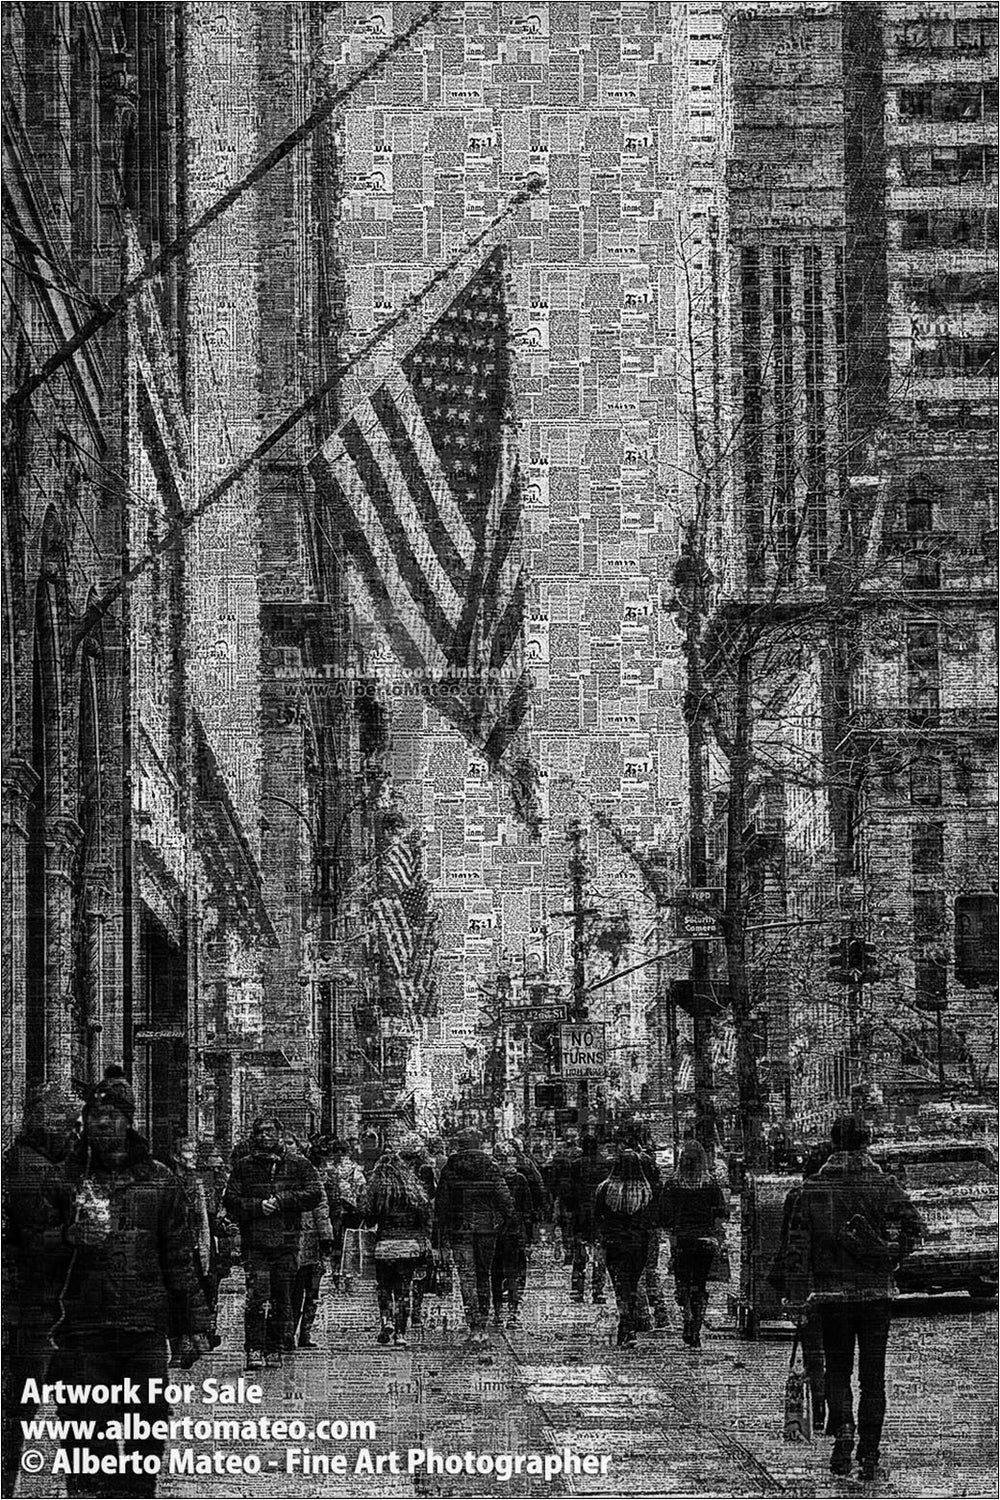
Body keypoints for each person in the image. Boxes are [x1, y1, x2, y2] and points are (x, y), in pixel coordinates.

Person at [46, 1069, 211, 1498]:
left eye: (113, 1115)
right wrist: (66, 1237)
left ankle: (137, 1491)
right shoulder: (64, 1177)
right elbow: (30, 1245)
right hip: (82, 1326)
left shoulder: (159, 1179)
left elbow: (179, 1257)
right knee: (85, 1424)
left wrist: (193, 1327)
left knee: (146, 1420)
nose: (104, 1123)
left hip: (143, 1324)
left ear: (128, 1120)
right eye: (96, 1115)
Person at [786, 1115, 925, 1482]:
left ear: (833, 1143)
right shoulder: (885, 1185)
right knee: (873, 1378)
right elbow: (915, 1228)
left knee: (838, 1369)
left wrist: (797, 1296)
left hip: (830, 1294)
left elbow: (797, 1247)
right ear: (867, 1143)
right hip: (876, 1294)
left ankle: (843, 1429)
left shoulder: (813, 1189)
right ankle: (870, 1450)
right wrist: (891, 1254)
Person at [2, 1082, 79, 1495]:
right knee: (17, 1414)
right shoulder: (31, 1170)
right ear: (48, 1126)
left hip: (43, 1310)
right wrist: (77, 1234)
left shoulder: (43, 1165)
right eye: (68, 1126)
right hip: (32, 1312)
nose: (74, 1134)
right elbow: (38, 1243)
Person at [222, 1116, 322, 1369]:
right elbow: (231, 1200)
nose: (264, 1135)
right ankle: (255, 1347)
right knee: (257, 1296)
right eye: (259, 1131)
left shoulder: (299, 1165)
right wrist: (258, 1206)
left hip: (287, 1241)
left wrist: (282, 1200)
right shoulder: (244, 1166)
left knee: (282, 1297)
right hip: (255, 1241)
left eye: (269, 1131)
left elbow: (314, 1194)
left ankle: (274, 1347)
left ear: (279, 1133)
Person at [767, 1141, 832, 1429]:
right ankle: (840, 1416)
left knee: (814, 1351)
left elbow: (789, 1246)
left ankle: (818, 1411)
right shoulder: (847, 1194)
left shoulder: (798, 1196)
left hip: (808, 1286)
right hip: (843, 1285)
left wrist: (792, 1293)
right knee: (839, 1352)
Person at [434, 1128, 514, 1347]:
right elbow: (505, 1200)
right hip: (486, 1230)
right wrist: (503, 1223)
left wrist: (440, 1236)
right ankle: (483, 1327)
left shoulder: (450, 1169)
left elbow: (441, 1204)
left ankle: (473, 1326)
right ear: (479, 1144)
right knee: (483, 1275)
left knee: (467, 1278)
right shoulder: (491, 1167)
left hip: (459, 1230)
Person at [660, 1140, 728, 1349]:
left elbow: (664, 1215)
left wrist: (672, 1233)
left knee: (682, 1282)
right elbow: (721, 1213)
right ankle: (696, 1327)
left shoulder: (672, 1184)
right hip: (705, 1241)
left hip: (682, 1240)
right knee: (700, 1283)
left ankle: (687, 1315)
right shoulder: (710, 1184)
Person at [366, 1152, 433, 1347]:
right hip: (409, 1247)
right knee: (404, 1289)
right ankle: (401, 1333)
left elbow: (369, 1218)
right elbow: (424, 1219)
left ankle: (386, 1321)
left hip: (385, 1247)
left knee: (384, 1288)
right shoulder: (413, 1192)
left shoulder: (378, 1191)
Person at [594, 1150, 659, 1347]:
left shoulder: (605, 1189)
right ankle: (629, 1325)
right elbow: (653, 1219)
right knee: (633, 1283)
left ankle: (627, 1325)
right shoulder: (646, 1190)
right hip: (639, 1243)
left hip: (614, 1243)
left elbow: (597, 1217)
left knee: (620, 1285)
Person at [169, 1137, 218, 1357]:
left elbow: (204, 1219)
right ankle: (181, 1342)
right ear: (176, 1157)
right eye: (188, 1152)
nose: (193, 1156)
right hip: (173, 1244)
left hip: (194, 1245)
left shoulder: (198, 1182)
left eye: (194, 1152)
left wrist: (205, 1248)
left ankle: (197, 1336)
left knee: (196, 1291)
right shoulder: (168, 1182)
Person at [291, 1143, 335, 1349]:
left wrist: (326, 1236)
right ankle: (289, 1333)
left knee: (311, 1290)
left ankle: (303, 1334)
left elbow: (320, 1206)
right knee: (294, 1290)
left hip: (309, 1241)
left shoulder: (310, 1175)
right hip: (292, 1241)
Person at [490, 1142, 535, 1327]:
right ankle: (514, 1314)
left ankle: (499, 1313)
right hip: (516, 1233)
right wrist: (530, 1239)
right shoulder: (520, 1180)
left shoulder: (490, 1179)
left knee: (496, 1273)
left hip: (494, 1234)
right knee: (514, 1273)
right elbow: (528, 1211)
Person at [565, 1130, 611, 1303]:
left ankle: (578, 1289)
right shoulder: (605, 1165)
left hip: (581, 1215)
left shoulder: (576, 1165)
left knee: (580, 1253)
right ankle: (598, 1291)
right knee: (599, 1254)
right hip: (600, 1215)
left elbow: (568, 1191)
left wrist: (569, 1210)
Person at [321, 1137, 368, 1290]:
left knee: (347, 1243)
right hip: (337, 1211)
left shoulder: (352, 1169)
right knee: (338, 1243)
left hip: (348, 1211)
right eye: (337, 1152)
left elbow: (362, 1190)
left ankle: (345, 1276)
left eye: (342, 1152)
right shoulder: (330, 1169)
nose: (339, 1155)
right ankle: (338, 1274)